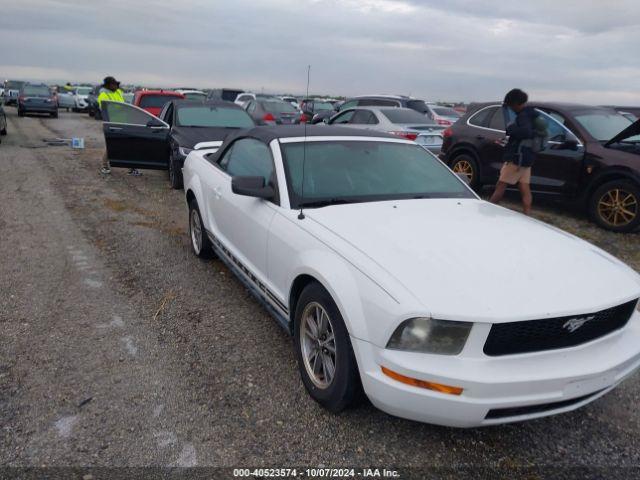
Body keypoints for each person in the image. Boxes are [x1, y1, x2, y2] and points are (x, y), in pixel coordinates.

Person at [489, 88, 546, 215]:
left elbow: (525, 132)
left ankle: (489, 210)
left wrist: (511, 129)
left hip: (516, 159)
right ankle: (527, 214)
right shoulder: (533, 114)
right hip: (527, 158)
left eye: (511, 105)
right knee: (525, 188)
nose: (511, 108)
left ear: (516, 103)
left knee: (500, 185)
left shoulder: (523, 116)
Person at [98, 76, 141, 176]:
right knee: (111, 145)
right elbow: (105, 110)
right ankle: (104, 166)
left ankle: (132, 168)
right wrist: (121, 109)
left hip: (123, 122)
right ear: (108, 85)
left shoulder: (118, 92)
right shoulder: (103, 95)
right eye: (114, 84)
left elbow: (124, 104)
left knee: (128, 144)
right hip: (112, 124)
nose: (116, 86)